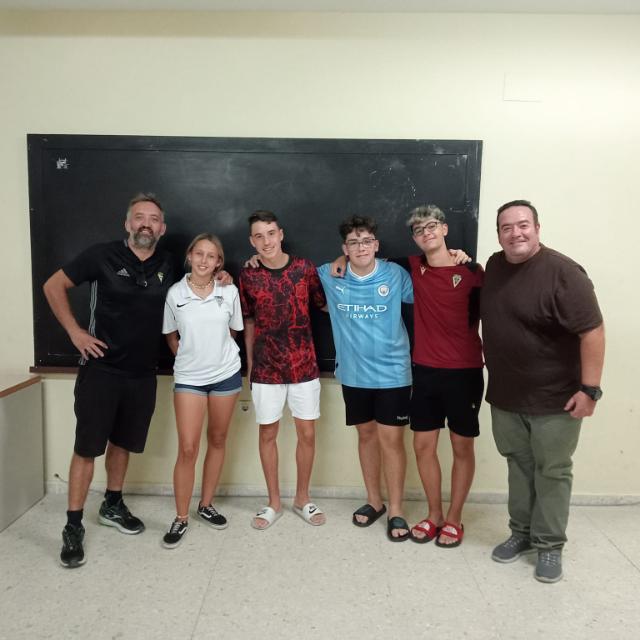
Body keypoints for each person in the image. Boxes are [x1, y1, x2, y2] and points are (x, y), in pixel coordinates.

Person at [43, 193, 173, 568]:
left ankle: (113, 504)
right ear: (127, 224)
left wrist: (227, 272)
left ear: (162, 229)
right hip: (101, 370)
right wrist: (75, 333)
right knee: (87, 448)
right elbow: (53, 286)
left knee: (122, 444)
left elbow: (204, 273)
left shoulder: (169, 264)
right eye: (139, 217)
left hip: (143, 373)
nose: (145, 223)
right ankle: (73, 525)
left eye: (153, 219)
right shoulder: (100, 255)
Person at [481, 199, 605, 583]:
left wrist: (590, 390)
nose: (515, 233)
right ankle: (521, 534)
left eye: (523, 225)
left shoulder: (564, 272)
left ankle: (550, 546)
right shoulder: (494, 265)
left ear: (537, 228)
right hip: (505, 396)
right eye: (506, 227)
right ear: (498, 233)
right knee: (518, 467)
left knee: (551, 470)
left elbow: (593, 332)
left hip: (556, 400)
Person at [318, 216, 414, 541]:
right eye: (354, 243)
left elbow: (430, 287)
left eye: (367, 241)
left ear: (376, 245)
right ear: (345, 248)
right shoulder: (330, 275)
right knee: (366, 437)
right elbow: (283, 270)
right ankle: (375, 501)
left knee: (393, 442)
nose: (361, 247)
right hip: (354, 375)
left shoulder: (396, 275)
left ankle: (397, 509)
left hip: (394, 373)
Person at [239, 210, 327, 530]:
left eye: (271, 233)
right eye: (259, 236)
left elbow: (323, 304)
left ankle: (302, 498)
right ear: (252, 241)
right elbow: (248, 321)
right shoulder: (247, 275)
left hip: (304, 363)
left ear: (281, 234)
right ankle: (273, 502)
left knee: (307, 433)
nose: (266, 241)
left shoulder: (304, 269)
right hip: (266, 367)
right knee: (268, 433)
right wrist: (250, 365)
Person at [402, 205, 484, 548]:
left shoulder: (473, 272)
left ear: (445, 229)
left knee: (461, 445)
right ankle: (434, 514)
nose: (426, 233)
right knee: (423, 445)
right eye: (419, 230)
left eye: (431, 226)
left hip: (464, 372)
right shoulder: (414, 267)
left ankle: (454, 518)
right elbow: (361, 259)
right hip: (425, 372)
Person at [161, 233, 243, 548]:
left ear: (219, 262)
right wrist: (191, 358)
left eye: (212, 256)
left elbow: (235, 330)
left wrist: (216, 355)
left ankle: (205, 504)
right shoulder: (175, 293)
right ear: (190, 256)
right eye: (199, 254)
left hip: (225, 375)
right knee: (188, 448)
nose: (205, 260)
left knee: (218, 440)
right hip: (189, 379)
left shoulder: (229, 291)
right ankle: (181, 517)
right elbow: (171, 335)